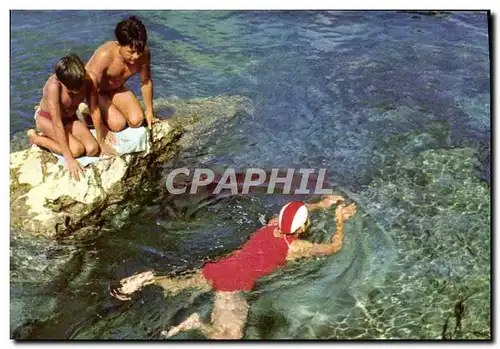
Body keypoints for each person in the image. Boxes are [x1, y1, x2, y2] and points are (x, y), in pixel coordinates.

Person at [110, 194, 357, 339]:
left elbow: (294, 211)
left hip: (219, 266)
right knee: (231, 337)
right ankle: (197, 322)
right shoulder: (297, 247)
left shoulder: (271, 224)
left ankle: (152, 277)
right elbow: (334, 247)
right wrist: (339, 220)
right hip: (233, 285)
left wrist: (319, 204)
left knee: (177, 286)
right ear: (302, 228)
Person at [27, 54, 116, 181]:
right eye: (71, 89)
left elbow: (94, 109)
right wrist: (68, 158)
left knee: (93, 149)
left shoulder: (89, 79)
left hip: (70, 118)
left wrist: (101, 141)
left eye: (78, 87)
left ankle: (66, 139)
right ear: (61, 80)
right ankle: (36, 138)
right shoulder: (53, 86)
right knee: (76, 151)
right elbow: (57, 122)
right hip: (48, 119)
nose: (76, 91)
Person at [85, 16, 159, 132]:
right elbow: (89, 88)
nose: (136, 56)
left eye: (139, 50)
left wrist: (149, 112)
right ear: (118, 44)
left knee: (137, 120)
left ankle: (109, 106)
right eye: (131, 52)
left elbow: (146, 81)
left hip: (116, 88)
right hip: (93, 91)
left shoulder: (144, 53)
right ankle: (84, 109)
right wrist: (101, 127)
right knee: (118, 124)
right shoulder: (105, 55)